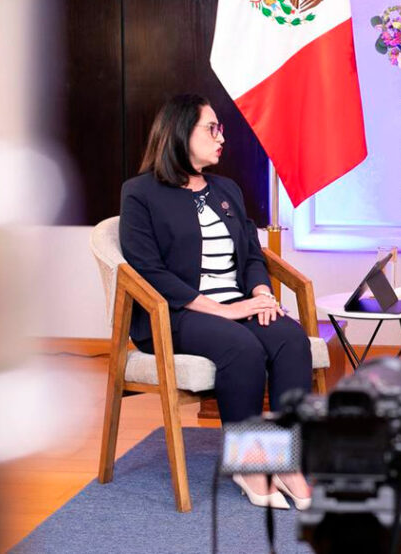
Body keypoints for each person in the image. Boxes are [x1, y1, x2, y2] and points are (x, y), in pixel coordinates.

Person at [119, 94, 313, 510]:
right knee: (241, 347)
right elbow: (148, 271)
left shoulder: (227, 189)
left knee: (291, 340)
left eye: (220, 129)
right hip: (176, 313)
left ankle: (285, 460)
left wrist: (261, 293)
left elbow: (252, 255)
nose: (221, 137)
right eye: (212, 129)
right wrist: (223, 310)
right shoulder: (139, 193)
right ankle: (249, 464)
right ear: (179, 132)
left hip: (237, 304)